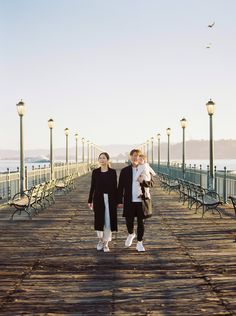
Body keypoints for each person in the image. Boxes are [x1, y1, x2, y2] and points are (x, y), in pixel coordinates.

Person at [117, 149, 153, 252]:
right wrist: (119, 200)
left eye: (137, 156)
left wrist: (143, 182)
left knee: (141, 222)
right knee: (129, 221)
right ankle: (131, 234)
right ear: (130, 157)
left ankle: (140, 243)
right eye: (133, 155)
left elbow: (152, 184)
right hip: (129, 200)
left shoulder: (145, 168)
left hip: (142, 201)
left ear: (140, 157)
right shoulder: (125, 171)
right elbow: (120, 187)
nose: (135, 157)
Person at [88, 152, 118, 252]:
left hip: (110, 199)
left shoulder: (112, 172)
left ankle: (106, 243)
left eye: (104, 158)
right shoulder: (95, 172)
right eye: (100, 158)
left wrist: (118, 201)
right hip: (98, 199)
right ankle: (100, 240)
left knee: (108, 222)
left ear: (107, 160)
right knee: (99, 220)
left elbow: (115, 188)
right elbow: (92, 187)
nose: (102, 160)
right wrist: (90, 200)